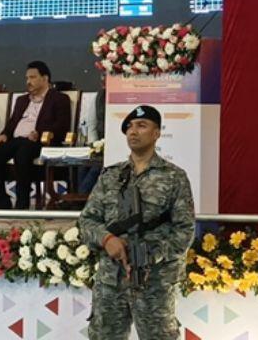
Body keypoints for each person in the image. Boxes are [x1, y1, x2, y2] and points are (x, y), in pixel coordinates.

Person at [78, 105, 194, 340]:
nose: (133, 131)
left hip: (154, 283)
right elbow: (87, 220)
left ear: (156, 133)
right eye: (129, 127)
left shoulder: (174, 177)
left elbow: (185, 230)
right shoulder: (111, 176)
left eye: (142, 125)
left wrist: (151, 254)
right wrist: (107, 239)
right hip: (111, 280)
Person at [0, 61, 71, 210]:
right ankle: (2, 202)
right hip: (16, 140)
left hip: (39, 142)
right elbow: (12, 124)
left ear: (45, 78)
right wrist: (4, 134)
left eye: (32, 77)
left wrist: (40, 133)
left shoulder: (59, 98)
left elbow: (62, 126)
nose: (28, 81)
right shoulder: (22, 100)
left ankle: (22, 203)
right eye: (27, 78)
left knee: (22, 153)